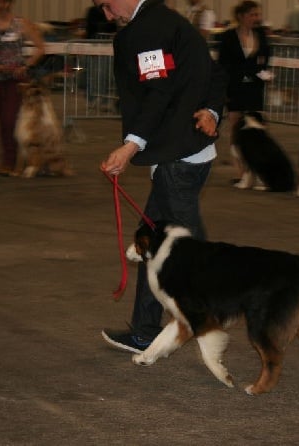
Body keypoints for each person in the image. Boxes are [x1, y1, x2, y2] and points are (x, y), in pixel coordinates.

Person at [96, 0, 227, 353]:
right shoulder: (174, 23)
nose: (108, 17)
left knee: (192, 255)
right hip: (192, 153)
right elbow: (214, 74)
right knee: (151, 243)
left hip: (176, 158)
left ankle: (220, 313)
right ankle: (143, 331)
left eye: (106, 6)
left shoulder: (145, 30)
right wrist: (212, 111)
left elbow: (159, 92)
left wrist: (130, 146)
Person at [0, 0, 45, 176]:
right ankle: (8, 161)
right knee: (1, 122)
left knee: (10, 120)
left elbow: (40, 48)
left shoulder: (21, 24)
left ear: (10, 3)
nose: (0, 5)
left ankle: (14, 161)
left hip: (17, 80)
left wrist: (26, 66)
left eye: (4, 1)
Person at [217, 0, 271, 189]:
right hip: (235, 90)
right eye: (252, 14)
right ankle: (242, 174)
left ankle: (261, 174)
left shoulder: (262, 35)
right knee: (236, 133)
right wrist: (223, 90)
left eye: (257, 15)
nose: (256, 18)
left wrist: (263, 72)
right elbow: (223, 66)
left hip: (254, 90)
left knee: (257, 133)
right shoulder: (228, 37)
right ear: (241, 16)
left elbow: (265, 59)